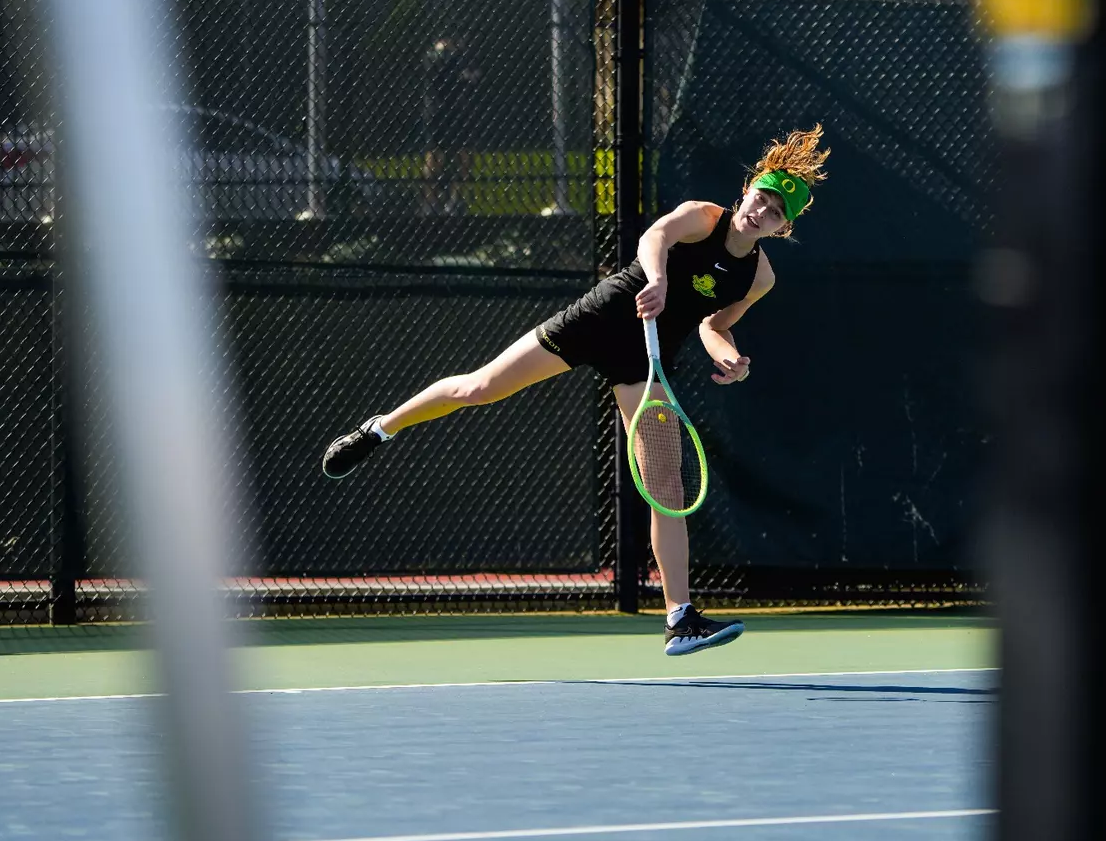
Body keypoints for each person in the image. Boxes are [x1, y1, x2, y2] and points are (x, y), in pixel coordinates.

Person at [322, 125, 831, 654]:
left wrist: (732, 360)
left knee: (666, 487)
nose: (762, 211)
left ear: (783, 227)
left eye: (776, 212)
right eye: (761, 197)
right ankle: (380, 429)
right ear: (746, 190)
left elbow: (715, 325)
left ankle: (679, 618)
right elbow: (654, 237)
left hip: (643, 359)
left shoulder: (758, 278)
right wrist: (656, 280)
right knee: (479, 387)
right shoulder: (702, 216)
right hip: (600, 319)